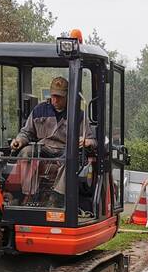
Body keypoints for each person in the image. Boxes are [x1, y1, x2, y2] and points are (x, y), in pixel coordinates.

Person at [9, 76, 95, 207]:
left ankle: (56, 198)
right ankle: (29, 195)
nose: (55, 100)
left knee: (70, 157)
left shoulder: (78, 115)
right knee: (26, 152)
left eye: (59, 97)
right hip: (44, 148)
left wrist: (87, 141)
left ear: (67, 96)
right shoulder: (39, 110)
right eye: (53, 96)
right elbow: (26, 132)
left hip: (65, 150)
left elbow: (92, 140)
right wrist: (19, 140)